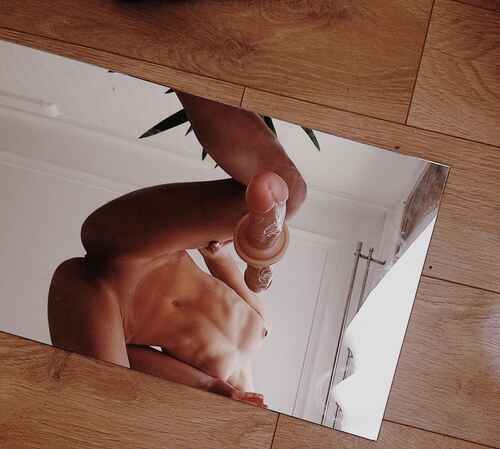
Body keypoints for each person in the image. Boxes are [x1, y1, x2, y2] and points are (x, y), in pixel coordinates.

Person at [48, 92, 307, 407]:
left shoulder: (212, 386)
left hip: (110, 304)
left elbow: (134, 360)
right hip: (144, 246)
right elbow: (216, 255)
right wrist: (227, 247)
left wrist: (216, 390)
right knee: (291, 194)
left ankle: (265, 241)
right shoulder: (262, 326)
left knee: (112, 401)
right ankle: (266, 232)